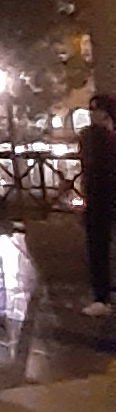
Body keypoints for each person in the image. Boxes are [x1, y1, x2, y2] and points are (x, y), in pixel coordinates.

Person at [78, 92, 116, 314]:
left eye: (95, 109)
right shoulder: (91, 136)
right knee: (98, 247)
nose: (92, 114)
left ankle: (105, 295)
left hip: (105, 196)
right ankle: (102, 296)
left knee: (100, 246)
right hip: (98, 197)